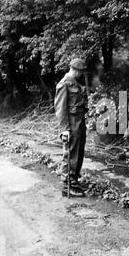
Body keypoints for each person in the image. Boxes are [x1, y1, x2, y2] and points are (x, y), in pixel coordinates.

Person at [54, 58, 88, 197]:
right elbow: (60, 109)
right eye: (80, 71)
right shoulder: (64, 84)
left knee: (78, 153)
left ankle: (74, 180)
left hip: (79, 123)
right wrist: (64, 129)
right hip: (71, 124)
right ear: (75, 69)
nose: (81, 74)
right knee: (70, 154)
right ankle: (68, 185)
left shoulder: (75, 83)